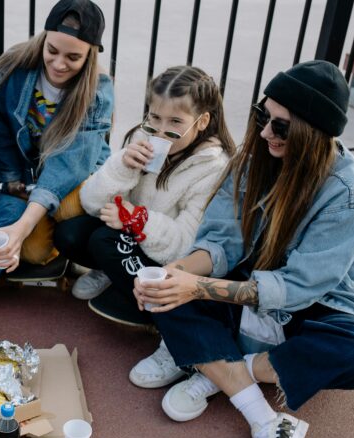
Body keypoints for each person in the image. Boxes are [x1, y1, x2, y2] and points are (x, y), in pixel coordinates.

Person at [133, 61, 354, 438]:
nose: (266, 132)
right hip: (247, 287)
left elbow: (298, 287)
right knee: (165, 292)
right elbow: (222, 244)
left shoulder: (351, 192)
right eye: (262, 116)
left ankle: (222, 371)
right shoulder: (254, 161)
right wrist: (173, 274)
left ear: (313, 134)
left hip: (315, 305)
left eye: (282, 127)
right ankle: (265, 419)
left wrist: (197, 287)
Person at [54, 65, 235, 389]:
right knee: (69, 234)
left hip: (170, 259)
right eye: (155, 117)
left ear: (202, 121)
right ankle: (116, 275)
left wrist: (136, 219)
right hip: (127, 234)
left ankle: (166, 325)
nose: (161, 130)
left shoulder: (214, 167)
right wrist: (122, 166)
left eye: (176, 122)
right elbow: (92, 202)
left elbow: (186, 245)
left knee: (104, 240)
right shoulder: (144, 137)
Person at [0, 0, 114, 279]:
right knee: (33, 252)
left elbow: (70, 166)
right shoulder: (13, 66)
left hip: (75, 174)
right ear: (43, 39)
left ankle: (101, 260)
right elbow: (0, 128)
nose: (59, 64)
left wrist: (24, 223)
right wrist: (12, 180)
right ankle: (50, 235)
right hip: (29, 174)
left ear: (90, 55)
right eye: (52, 50)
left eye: (73, 57)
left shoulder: (98, 90)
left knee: (66, 210)